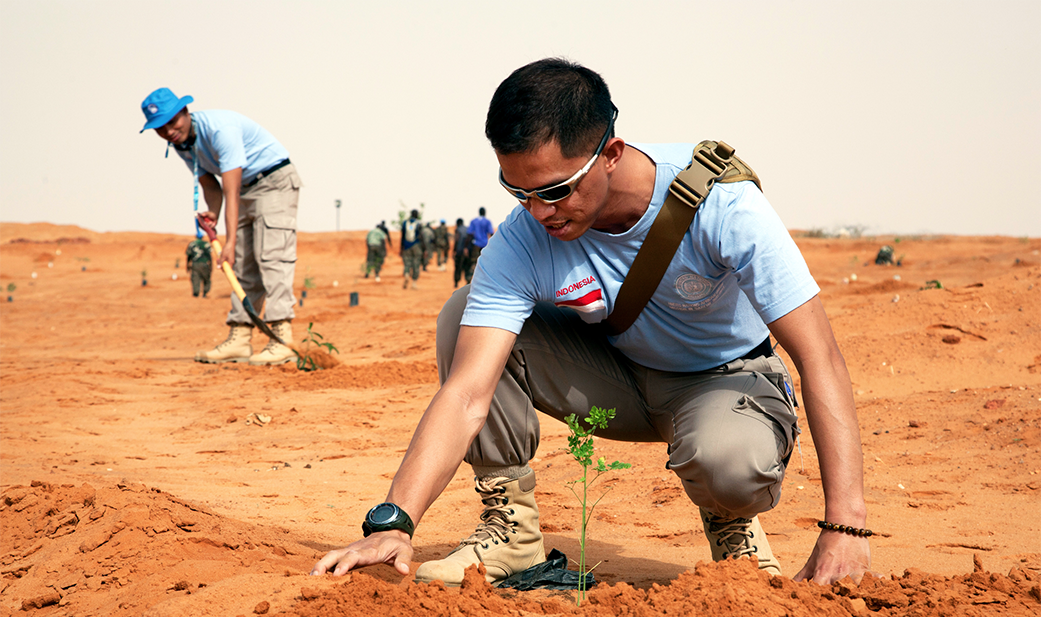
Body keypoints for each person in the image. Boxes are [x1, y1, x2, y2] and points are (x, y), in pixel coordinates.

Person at [312, 58, 872, 587]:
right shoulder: (524, 236)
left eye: (556, 190)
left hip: (721, 382)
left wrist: (845, 527)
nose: (539, 211)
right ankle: (512, 535)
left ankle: (733, 524)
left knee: (728, 463)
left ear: (610, 153)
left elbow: (819, 356)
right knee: (464, 316)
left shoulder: (724, 207)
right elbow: (466, 396)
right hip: (616, 380)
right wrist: (394, 522)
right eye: (518, 191)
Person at [140, 87, 301, 365]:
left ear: (185, 112)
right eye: (160, 128)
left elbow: (231, 186)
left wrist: (229, 240)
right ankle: (239, 339)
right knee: (242, 266)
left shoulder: (220, 130)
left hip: (273, 182)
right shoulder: (182, 143)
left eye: (172, 122)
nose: (168, 131)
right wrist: (213, 213)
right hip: (245, 191)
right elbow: (209, 184)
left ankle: (282, 338)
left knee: (272, 258)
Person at [464, 207, 493, 283]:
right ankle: (484, 282)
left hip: (475, 245)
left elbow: (469, 234)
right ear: (485, 213)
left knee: (474, 262)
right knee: (485, 263)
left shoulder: (474, 221)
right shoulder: (487, 222)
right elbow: (491, 233)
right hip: (485, 245)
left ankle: (469, 279)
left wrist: (466, 247)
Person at [400, 209, 423, 289]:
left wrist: (401, 248)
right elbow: (421, 236)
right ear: (417, 215)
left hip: (406, 245)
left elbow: (402, 236)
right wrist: (424, 248)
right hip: (416, 245)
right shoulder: (419, 223)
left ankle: (406, 274)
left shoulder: (405, 223)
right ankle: (414, 283)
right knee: (416, 264)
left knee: (407, 263)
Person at [451, 217, 473, 288]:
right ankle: (467, 281)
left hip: (459, 252)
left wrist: (454, 251)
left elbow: (456, 240)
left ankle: (456, 282)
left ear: (457, 224)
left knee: (458, 268)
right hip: (467, 252)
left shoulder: (458, 230)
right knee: (467, 267)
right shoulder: (468, 229)